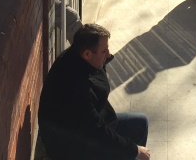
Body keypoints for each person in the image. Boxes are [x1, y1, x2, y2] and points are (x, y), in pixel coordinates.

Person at [38, 23, 151, 160]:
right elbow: (97, 132)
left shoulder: (78, 56)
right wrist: (134, 150)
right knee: (134, 151)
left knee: (140, 123)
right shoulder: (76, 89)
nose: (108, 54)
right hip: (73, 148)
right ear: (87, 54)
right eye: (104, 51)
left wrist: (103, 59)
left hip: (88, 129)